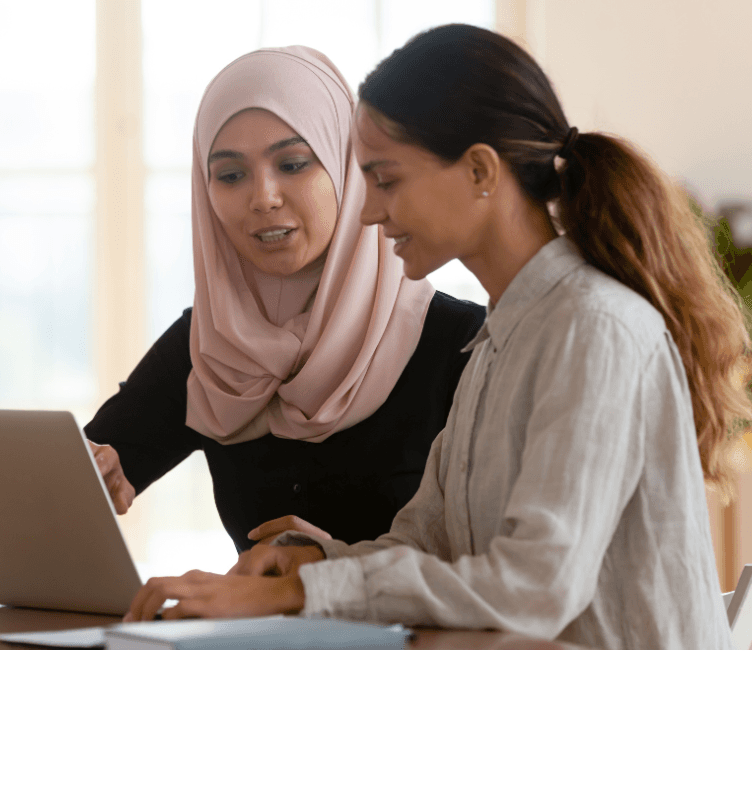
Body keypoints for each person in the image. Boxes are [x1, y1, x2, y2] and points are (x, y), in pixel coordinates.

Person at [125, 25, 751, 649]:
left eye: (387, 179)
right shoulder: (498, 339)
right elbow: (426, 539)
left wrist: (298, 594)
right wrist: (317, 564)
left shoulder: (595, 329)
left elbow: (536, 587)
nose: (367, 211)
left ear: (480, 170)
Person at [85, 46, 485, 555]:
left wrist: (331, 571)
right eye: (230, 175)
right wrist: (89, 471)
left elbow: (499, 564)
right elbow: (93, 465)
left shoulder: (467, 345)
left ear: (350, 169)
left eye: (293, 163)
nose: (263, 197)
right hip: (259, 637)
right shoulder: (210, 344)